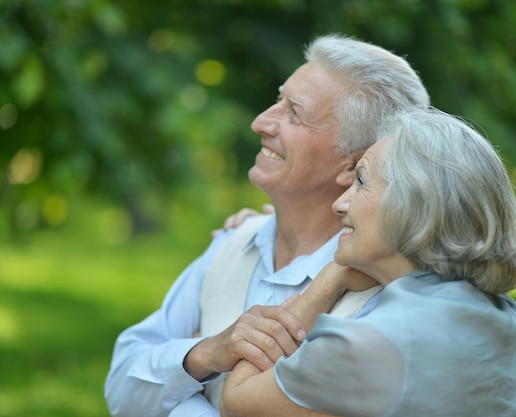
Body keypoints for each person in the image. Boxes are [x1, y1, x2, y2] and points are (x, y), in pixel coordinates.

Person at [105, 33, 430, 417]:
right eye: (279, 99)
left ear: (352, 165)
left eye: (295, 112)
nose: (261, 122)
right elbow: (121, 387)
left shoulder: (385, 292)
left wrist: (182, 405)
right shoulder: (233, 242)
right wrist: (205, 353)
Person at [220, 106, 516, 417]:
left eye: (360, 182)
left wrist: (333, 277)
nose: (339, 203)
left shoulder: (374, 344)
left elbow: (235, 401)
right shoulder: (505, 318)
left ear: (412, 205)